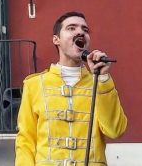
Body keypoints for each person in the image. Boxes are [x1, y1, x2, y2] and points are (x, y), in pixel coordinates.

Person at [15, 11, 127, 166]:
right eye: (71, 28)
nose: (80, 32)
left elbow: (115, 130)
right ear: (56, 39)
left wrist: (102, 78)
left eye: (85, 30)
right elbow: (26, 140)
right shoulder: (34, 84)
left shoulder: (100, 83)